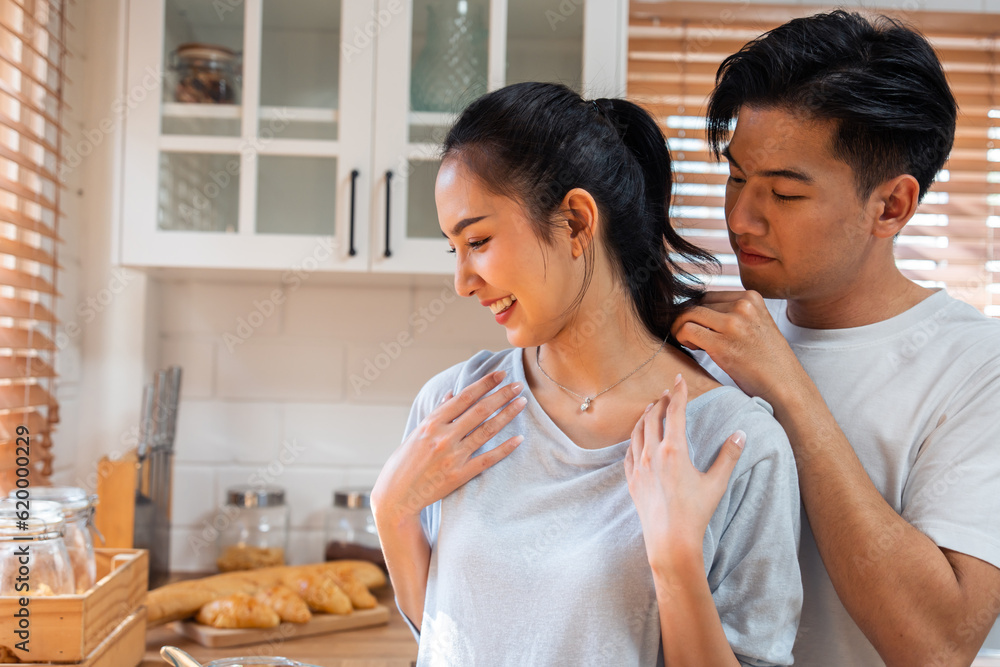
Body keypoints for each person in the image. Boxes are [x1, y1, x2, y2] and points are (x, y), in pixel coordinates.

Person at [371, 81, 802, 666]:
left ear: (575, 222)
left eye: (478, 240)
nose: (462, 280)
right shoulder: (454, 406)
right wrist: (392, 515)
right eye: (455, 249)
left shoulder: (731, 444)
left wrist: (675, 560)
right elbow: (454, 636)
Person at [670, 10, 1000, 666]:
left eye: (784, 195)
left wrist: (789, 387)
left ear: (891, 207)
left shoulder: (974, 366)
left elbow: (939, 644)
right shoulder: (709, 341)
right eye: (736, 177)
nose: (739, 217)